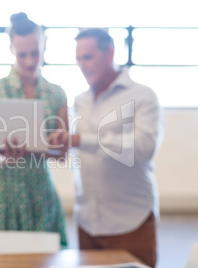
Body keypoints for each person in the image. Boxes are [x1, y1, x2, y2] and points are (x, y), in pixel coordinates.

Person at [49, 28, 165, 267]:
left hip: (130, 222)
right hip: (87, 224)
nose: (82, 65)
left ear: (109, 52)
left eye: (88, 57)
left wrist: (83, 139)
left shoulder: (143, 96)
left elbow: (144, 147)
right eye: (78, 59)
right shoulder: (79, 100)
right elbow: (72, 149)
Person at [0, 12, 68, 247]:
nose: (29, 61)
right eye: (22, 54)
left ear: (44, 47)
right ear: (11, 49)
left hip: (39, 192)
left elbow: (63, 153)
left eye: (35, 53)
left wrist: (36, 149)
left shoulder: (56, 93)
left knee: (44, 257)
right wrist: (4, 156)